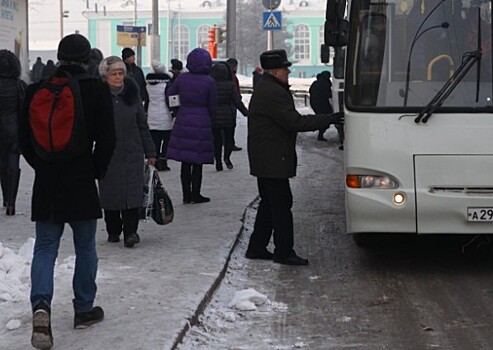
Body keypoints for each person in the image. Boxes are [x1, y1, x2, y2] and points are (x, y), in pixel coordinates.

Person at [18, 34, 116, 349]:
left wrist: (43, 164)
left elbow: (24, 140)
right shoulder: (96, 89)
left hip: (47, 180)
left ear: (59, 57)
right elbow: (108, 139)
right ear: (88, 59)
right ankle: (84, 309)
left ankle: (41, 307)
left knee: (45, 247)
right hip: (81, 178)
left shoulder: (36, 90)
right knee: (85, 246)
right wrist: (95, 170)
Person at [245, 49, 344, 266]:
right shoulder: (273, 92)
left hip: (267, 156)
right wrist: (329, 118)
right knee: (280, 204)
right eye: (285, 68)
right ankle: (283, 251)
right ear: (275, 71)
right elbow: (295, 123)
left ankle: (257, 247)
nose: (288, 71)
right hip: (272, 158)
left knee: (270, 203)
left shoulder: (268, 88)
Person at [98, 56, 156, 247]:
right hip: (108, 153)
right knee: (111, 194)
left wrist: (150, 152)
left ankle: (131, 232)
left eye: (120, 73)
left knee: (133, 193)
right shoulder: (99, 97)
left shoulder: (132, 95)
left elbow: (142, 124)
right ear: (105, 76)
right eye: (114, 74)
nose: (118, 77)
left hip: (132, 150)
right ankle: (113, 230)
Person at [166, 48, 217, 204]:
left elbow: (171, 95)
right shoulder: (210, 82)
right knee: (198, 160)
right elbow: (213, 105)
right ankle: (196, 193)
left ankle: (186, 195)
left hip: (183, 119)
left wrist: (177, 110)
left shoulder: (181, 79)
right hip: (202, 122)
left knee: (185, 161)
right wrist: (208, 116)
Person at [0, 50, 26, 216]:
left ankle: (4, 196)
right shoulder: (19, 85)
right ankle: (11, 203)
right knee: (13, 164)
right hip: (15, 130)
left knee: (2, 164)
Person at [210, 61, 248, 171]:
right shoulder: (230, 85)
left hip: (215, 117)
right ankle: (227, 158)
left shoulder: (211, 84)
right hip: (228, 115)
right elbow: (237, 101)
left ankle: (218, 161)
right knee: (229, 140)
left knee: (217, 141)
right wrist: (246, 112)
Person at [146, 59, 173, 171]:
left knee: (155, 141)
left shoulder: (147, 85)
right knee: (166, 141)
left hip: (152, 115)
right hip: (165, 115)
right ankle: (163, 161)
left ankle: (155, 161)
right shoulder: (166, 85)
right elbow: (169, 101)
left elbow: (146, 100)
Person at [309, 71, 335, 141]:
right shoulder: (326, 83)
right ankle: (320, 133)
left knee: (321, 117)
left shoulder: (315, 83)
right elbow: (329, 94)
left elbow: (310, 91)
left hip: (314, 103)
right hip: (323, 104)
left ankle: (318, 129)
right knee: (326, 118)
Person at [121, 47, 149, 112]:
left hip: (138, 98)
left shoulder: (137, 70)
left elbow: (142, 84)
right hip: (124, 98)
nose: (134, 58)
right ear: (126, 58)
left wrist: (143, 96)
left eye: (133, 56)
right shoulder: (122, 70)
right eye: (131, 56)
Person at [226, 58, 243, 152]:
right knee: (231, 124)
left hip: (226, 103)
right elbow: (234, 90)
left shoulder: (226, 75)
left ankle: (226, 143)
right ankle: (230, 143)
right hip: (231, 103)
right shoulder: (231, 76)